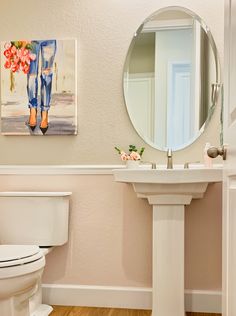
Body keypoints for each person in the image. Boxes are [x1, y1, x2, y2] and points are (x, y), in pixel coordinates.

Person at [27, 40, 57, 134]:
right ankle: (33, 110)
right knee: (32, 75)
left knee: (47, 76)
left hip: (50, 38)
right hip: (31, 38)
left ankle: (44, 113)